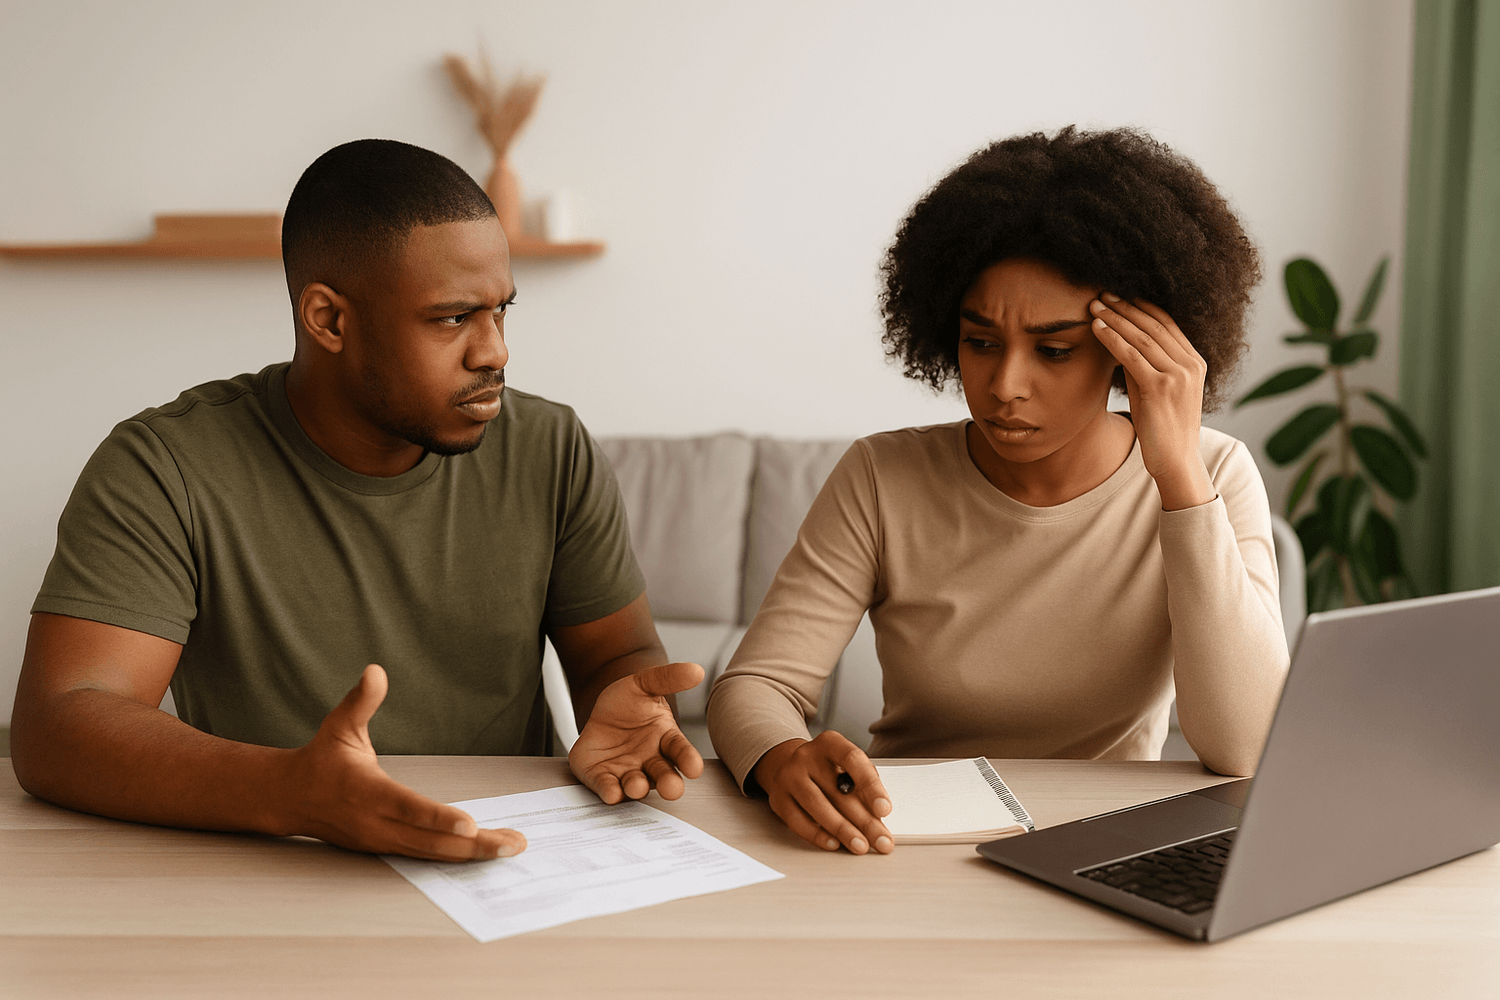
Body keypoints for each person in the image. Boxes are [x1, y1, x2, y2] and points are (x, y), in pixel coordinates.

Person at [11, 139, 704, 863]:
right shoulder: (165, 467)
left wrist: (621, 708)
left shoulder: (551, 446)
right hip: (272, 861)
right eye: (452, 318)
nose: (494, 350)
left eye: (502, 310)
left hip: (504, 861)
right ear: (329, 320)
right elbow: (61, 723)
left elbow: (617, 654)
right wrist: (295, 794)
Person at [706, 126, 1291, 857]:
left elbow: (1248, 747)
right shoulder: (882, 478)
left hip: (1104, 847)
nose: (1004, 386)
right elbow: (754, 687)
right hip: (904, 841)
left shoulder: (1213, 474)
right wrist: (780, 759)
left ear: (1128, 353)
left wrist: (1176, 475)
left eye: (1054, 350)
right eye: (981, 342)